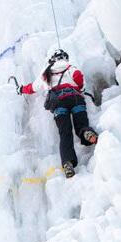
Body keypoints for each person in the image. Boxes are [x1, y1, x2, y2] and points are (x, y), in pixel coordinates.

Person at [18, 49, 98, 178]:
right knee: (81, 124)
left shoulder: (47, 72)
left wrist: (21, 89)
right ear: (64, 58)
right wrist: (81, 89)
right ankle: (87, 133)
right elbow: (78, 76)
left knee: (65, 133)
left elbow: (33, 88)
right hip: (75, 98)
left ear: (52, 59)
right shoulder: (70, 67)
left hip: (59, 104)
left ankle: (67, 162)